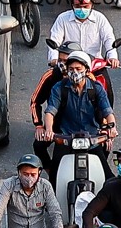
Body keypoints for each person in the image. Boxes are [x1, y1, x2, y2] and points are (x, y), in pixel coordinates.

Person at [37, 49, 115, 177]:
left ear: (86, 69)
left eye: (78, 68)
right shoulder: (59, 88)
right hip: (66, 138)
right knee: (55, 179)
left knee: (107, 178)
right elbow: (50, 111)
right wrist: (49, 130)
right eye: (71, 69)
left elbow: (107, 111)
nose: (75, 72)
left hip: (92, 138)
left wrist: (112, 128)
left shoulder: (96, 88)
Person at [45, 0, 120, 89]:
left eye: (85, 6)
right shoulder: (62, 19)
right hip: (69, 65)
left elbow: (108, 38)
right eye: (78, 6)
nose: (82, 9)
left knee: (106, 89)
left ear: (92, 5)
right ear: (72, 6)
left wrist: (112, 57)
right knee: (52, 84)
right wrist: (54, 58)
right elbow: (55, 40)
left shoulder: (100, 19)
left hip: (93, 64)